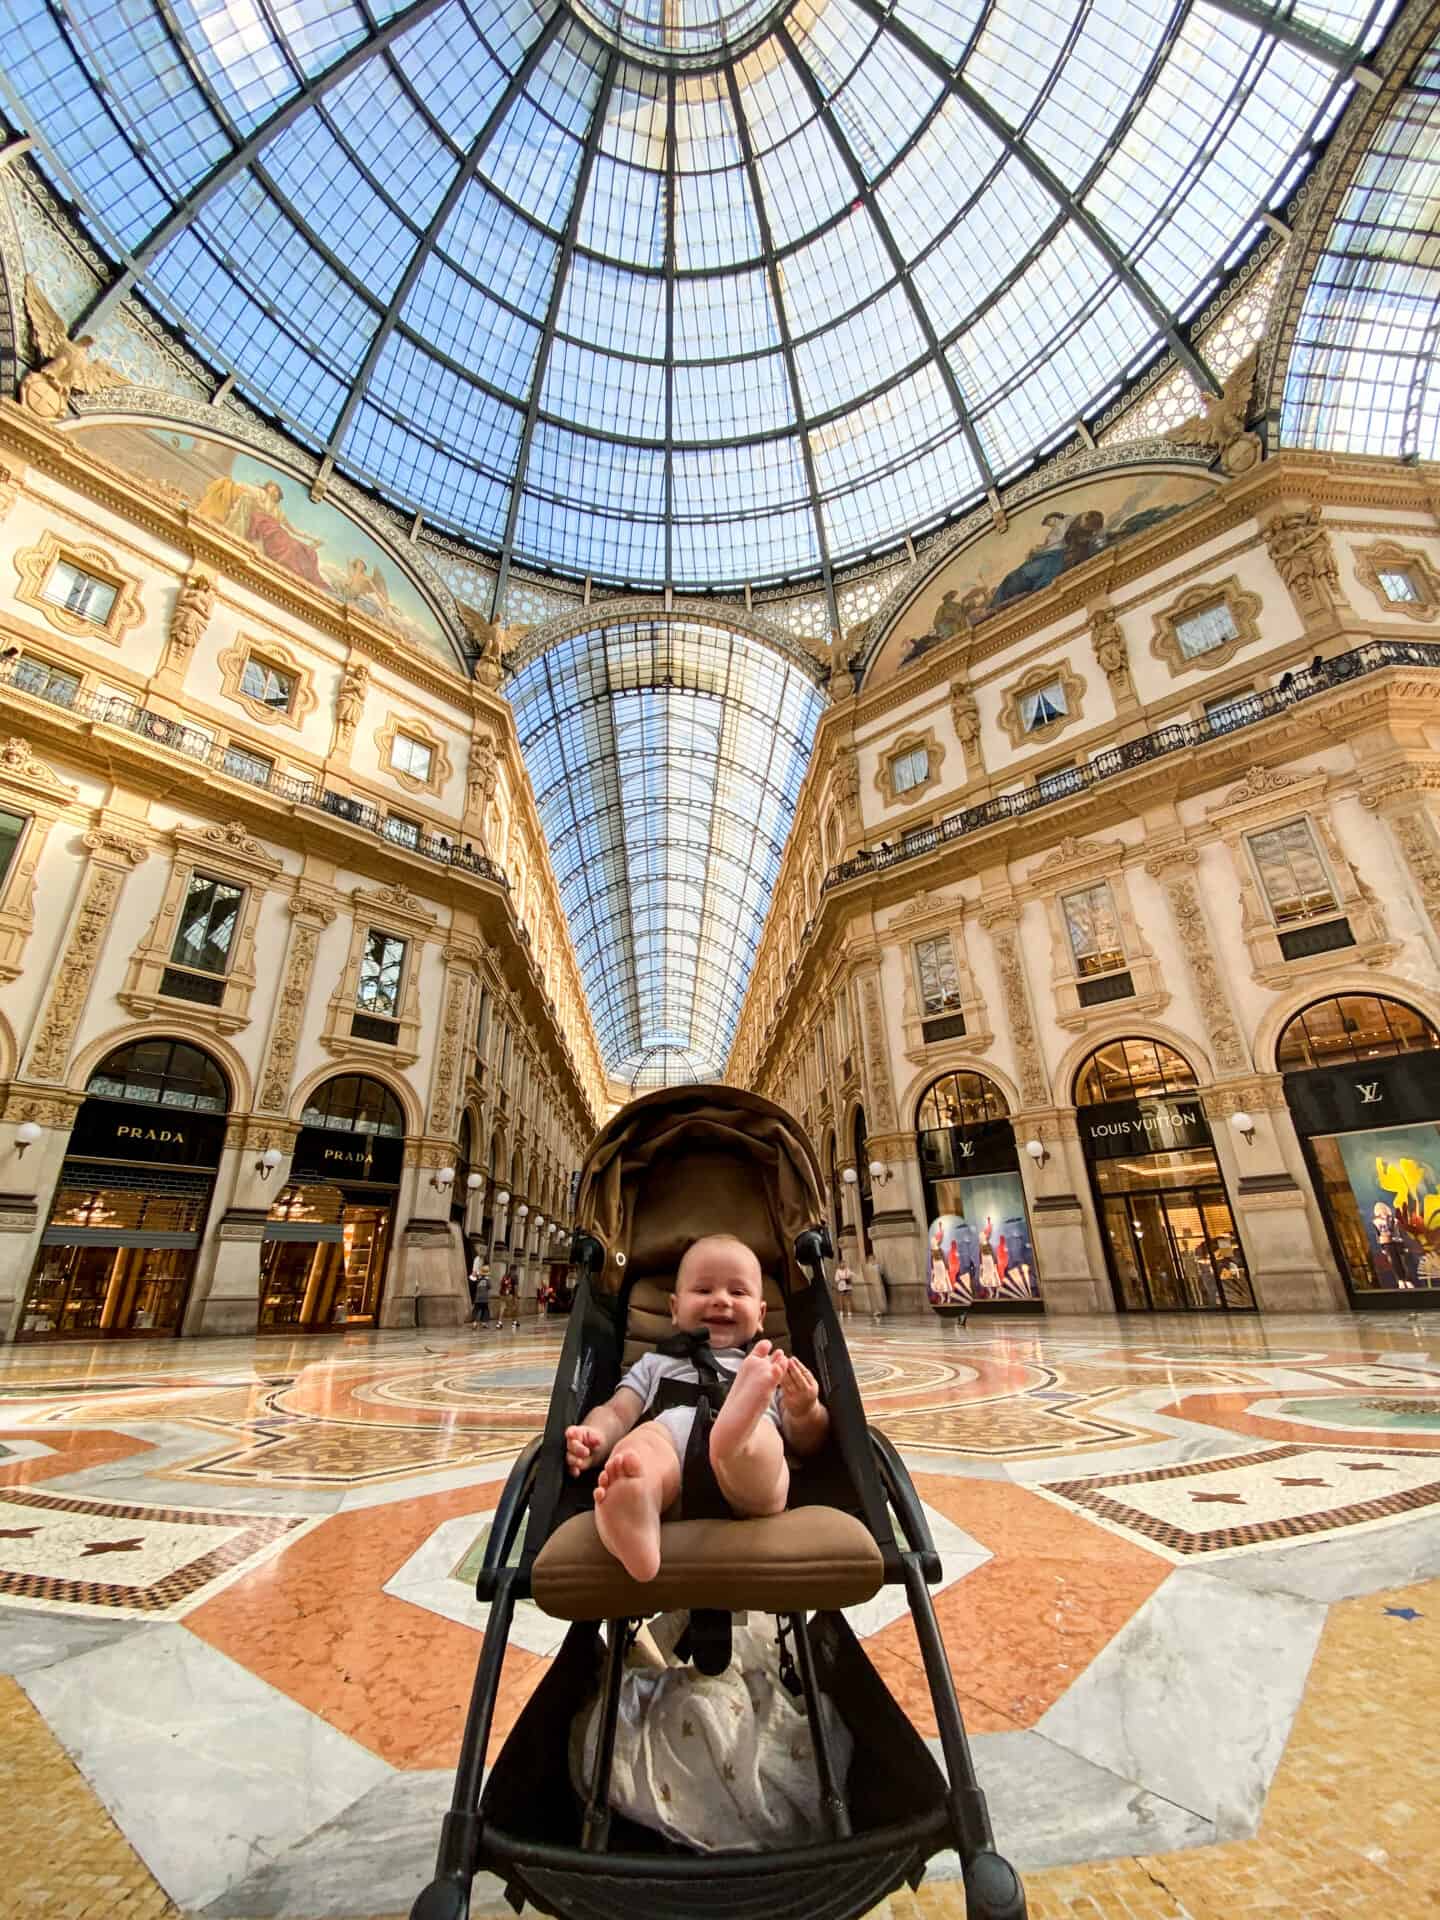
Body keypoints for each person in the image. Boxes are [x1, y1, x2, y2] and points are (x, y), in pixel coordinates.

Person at [563, 1235, 830, 1584]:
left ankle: (736, 1439)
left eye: (737, 1293)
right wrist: (595, 1435)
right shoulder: (655, 1363)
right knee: (639, 1449)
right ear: (674, 1309)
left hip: (750, 1483)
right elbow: (617, 1412)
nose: (720, 1300)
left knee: (763, 1443)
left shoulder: (770, 1368)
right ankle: (634, 1501)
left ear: (762, 1314)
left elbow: (808, 1443)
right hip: (671, 1448)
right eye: (704, 1291)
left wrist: (805, 1409)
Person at [862, 1251, 887, 1324]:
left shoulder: (877, 1266)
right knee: (873, 1298)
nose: (871, 1259)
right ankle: (875, 1310)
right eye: (870, 1258)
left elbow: (881, 1273)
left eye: (873, 1258)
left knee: (880, 1296)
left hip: (878, 1283)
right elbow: (866, 1275)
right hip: (871, 1284)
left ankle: (880, 1310)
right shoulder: (867, 1266)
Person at [468, 1256, 491, 1326]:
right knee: (485, 1310)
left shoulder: (478, 1280)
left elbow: (471, 1279)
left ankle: (474, 1322)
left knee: (476, 1310)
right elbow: (489, 1287)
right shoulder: (487, 1280)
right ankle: (484, 1322)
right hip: (485, 1298)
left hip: (478, 1298)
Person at [497, 1263, 520, 1328]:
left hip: (502, 1293)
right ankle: (514, 1322)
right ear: (515, 1269)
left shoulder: (505, 1275)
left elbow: (501, 1284)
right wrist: (516, 1296)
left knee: (502, 1307)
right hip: (510, 1295)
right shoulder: (515, 1276)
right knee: (513, 1308)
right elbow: (515, 1287)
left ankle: (499, 1322)